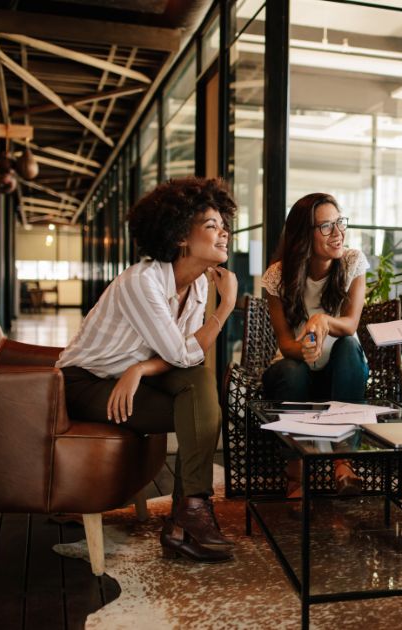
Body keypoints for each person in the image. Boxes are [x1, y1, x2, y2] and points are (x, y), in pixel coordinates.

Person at [56, 177, 238, 564]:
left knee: (197, 386)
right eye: (212, 225)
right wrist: (226, 308)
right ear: (181, 236)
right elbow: (183, 352)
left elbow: (185, 357)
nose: (224, 233)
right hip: (84, 383)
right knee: (198, 408)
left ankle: (188, 513)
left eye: (224, 225)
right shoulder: (142, 282)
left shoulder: (199, 285)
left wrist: (139, 368)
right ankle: (186, 520)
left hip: (131, 375)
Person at [261, 192, 370, 497]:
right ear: (303, 235)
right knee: (291, 370)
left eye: (340, 223)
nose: (338, 233)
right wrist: (306, 350)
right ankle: (296, 473)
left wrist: (322, 321)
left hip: (342, 369)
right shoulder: (278, 276)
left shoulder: (351, 262)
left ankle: (343, 462)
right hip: (295, 366)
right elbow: (285, 343)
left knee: (348, 347)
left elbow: (350, 324)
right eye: (326, 226)